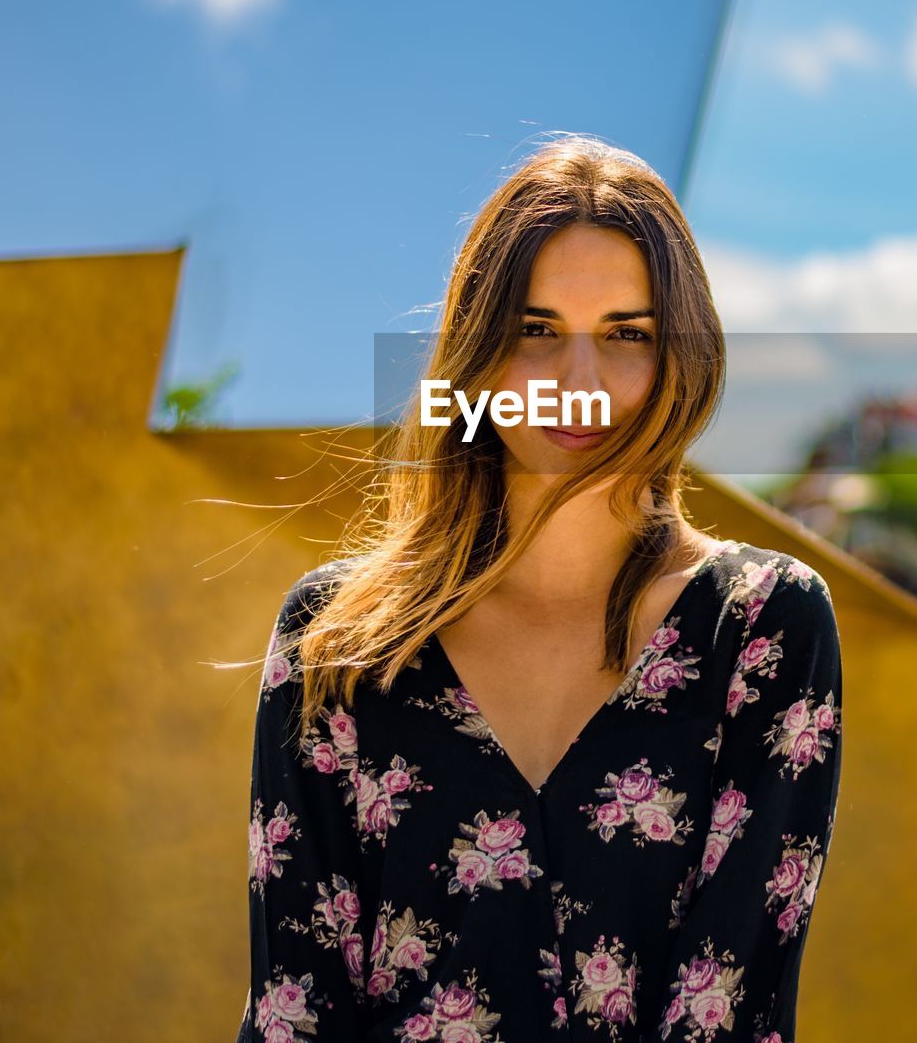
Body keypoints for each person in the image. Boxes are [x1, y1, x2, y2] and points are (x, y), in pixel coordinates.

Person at [234, 135, 843, 1042]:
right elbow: (295, 1012)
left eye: (628, 335)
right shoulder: (337, 640)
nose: (579, 385)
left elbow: (728, 1007)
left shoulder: (762, 627)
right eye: (538, 329)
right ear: (476, 353)